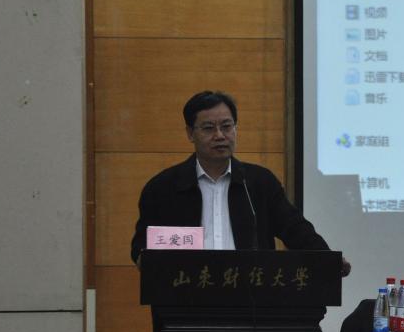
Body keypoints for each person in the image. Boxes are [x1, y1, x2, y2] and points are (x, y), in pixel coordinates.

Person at [130, 90, 350, 275]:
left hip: (250, 298)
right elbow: (142, 246)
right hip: (185, 298)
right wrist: (144, 258)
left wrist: (328, 258)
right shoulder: (163, 188)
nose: (220, 135)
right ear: (190, 133)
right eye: (208, 128)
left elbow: (295, 229)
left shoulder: (258, 183)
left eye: (227, 126)